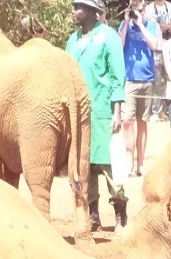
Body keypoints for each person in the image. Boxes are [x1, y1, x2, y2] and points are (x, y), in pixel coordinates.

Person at [68, 0, 127, 231]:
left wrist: (117, 110)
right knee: (86, 165)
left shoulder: (108, 36)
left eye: (78, 8)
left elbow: (117, 75)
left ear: (93, 12)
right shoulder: (72, 41)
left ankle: (120, 213)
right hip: (79, 115)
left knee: (109, 164)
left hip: (103, 110)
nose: (73, 12)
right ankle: (93, 215)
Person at [119, 0, 160, 177]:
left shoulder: (151, 25)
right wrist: (127, 22)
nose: (139, 12)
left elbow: (155, 45)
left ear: (145, 10)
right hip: (129, 79)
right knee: (127, 121)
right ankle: (129, 161)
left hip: (147, 78)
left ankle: (140, 163)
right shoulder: (125, 24)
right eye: (136, 10)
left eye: (141, 9)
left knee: (142, 122)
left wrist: (141, 25)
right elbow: (118, 45)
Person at [143, 0, 171, 121]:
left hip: (170, 49)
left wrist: (168, 26)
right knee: (157, 82)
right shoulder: (148, 9)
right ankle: (156, 111)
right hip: (155, 50)